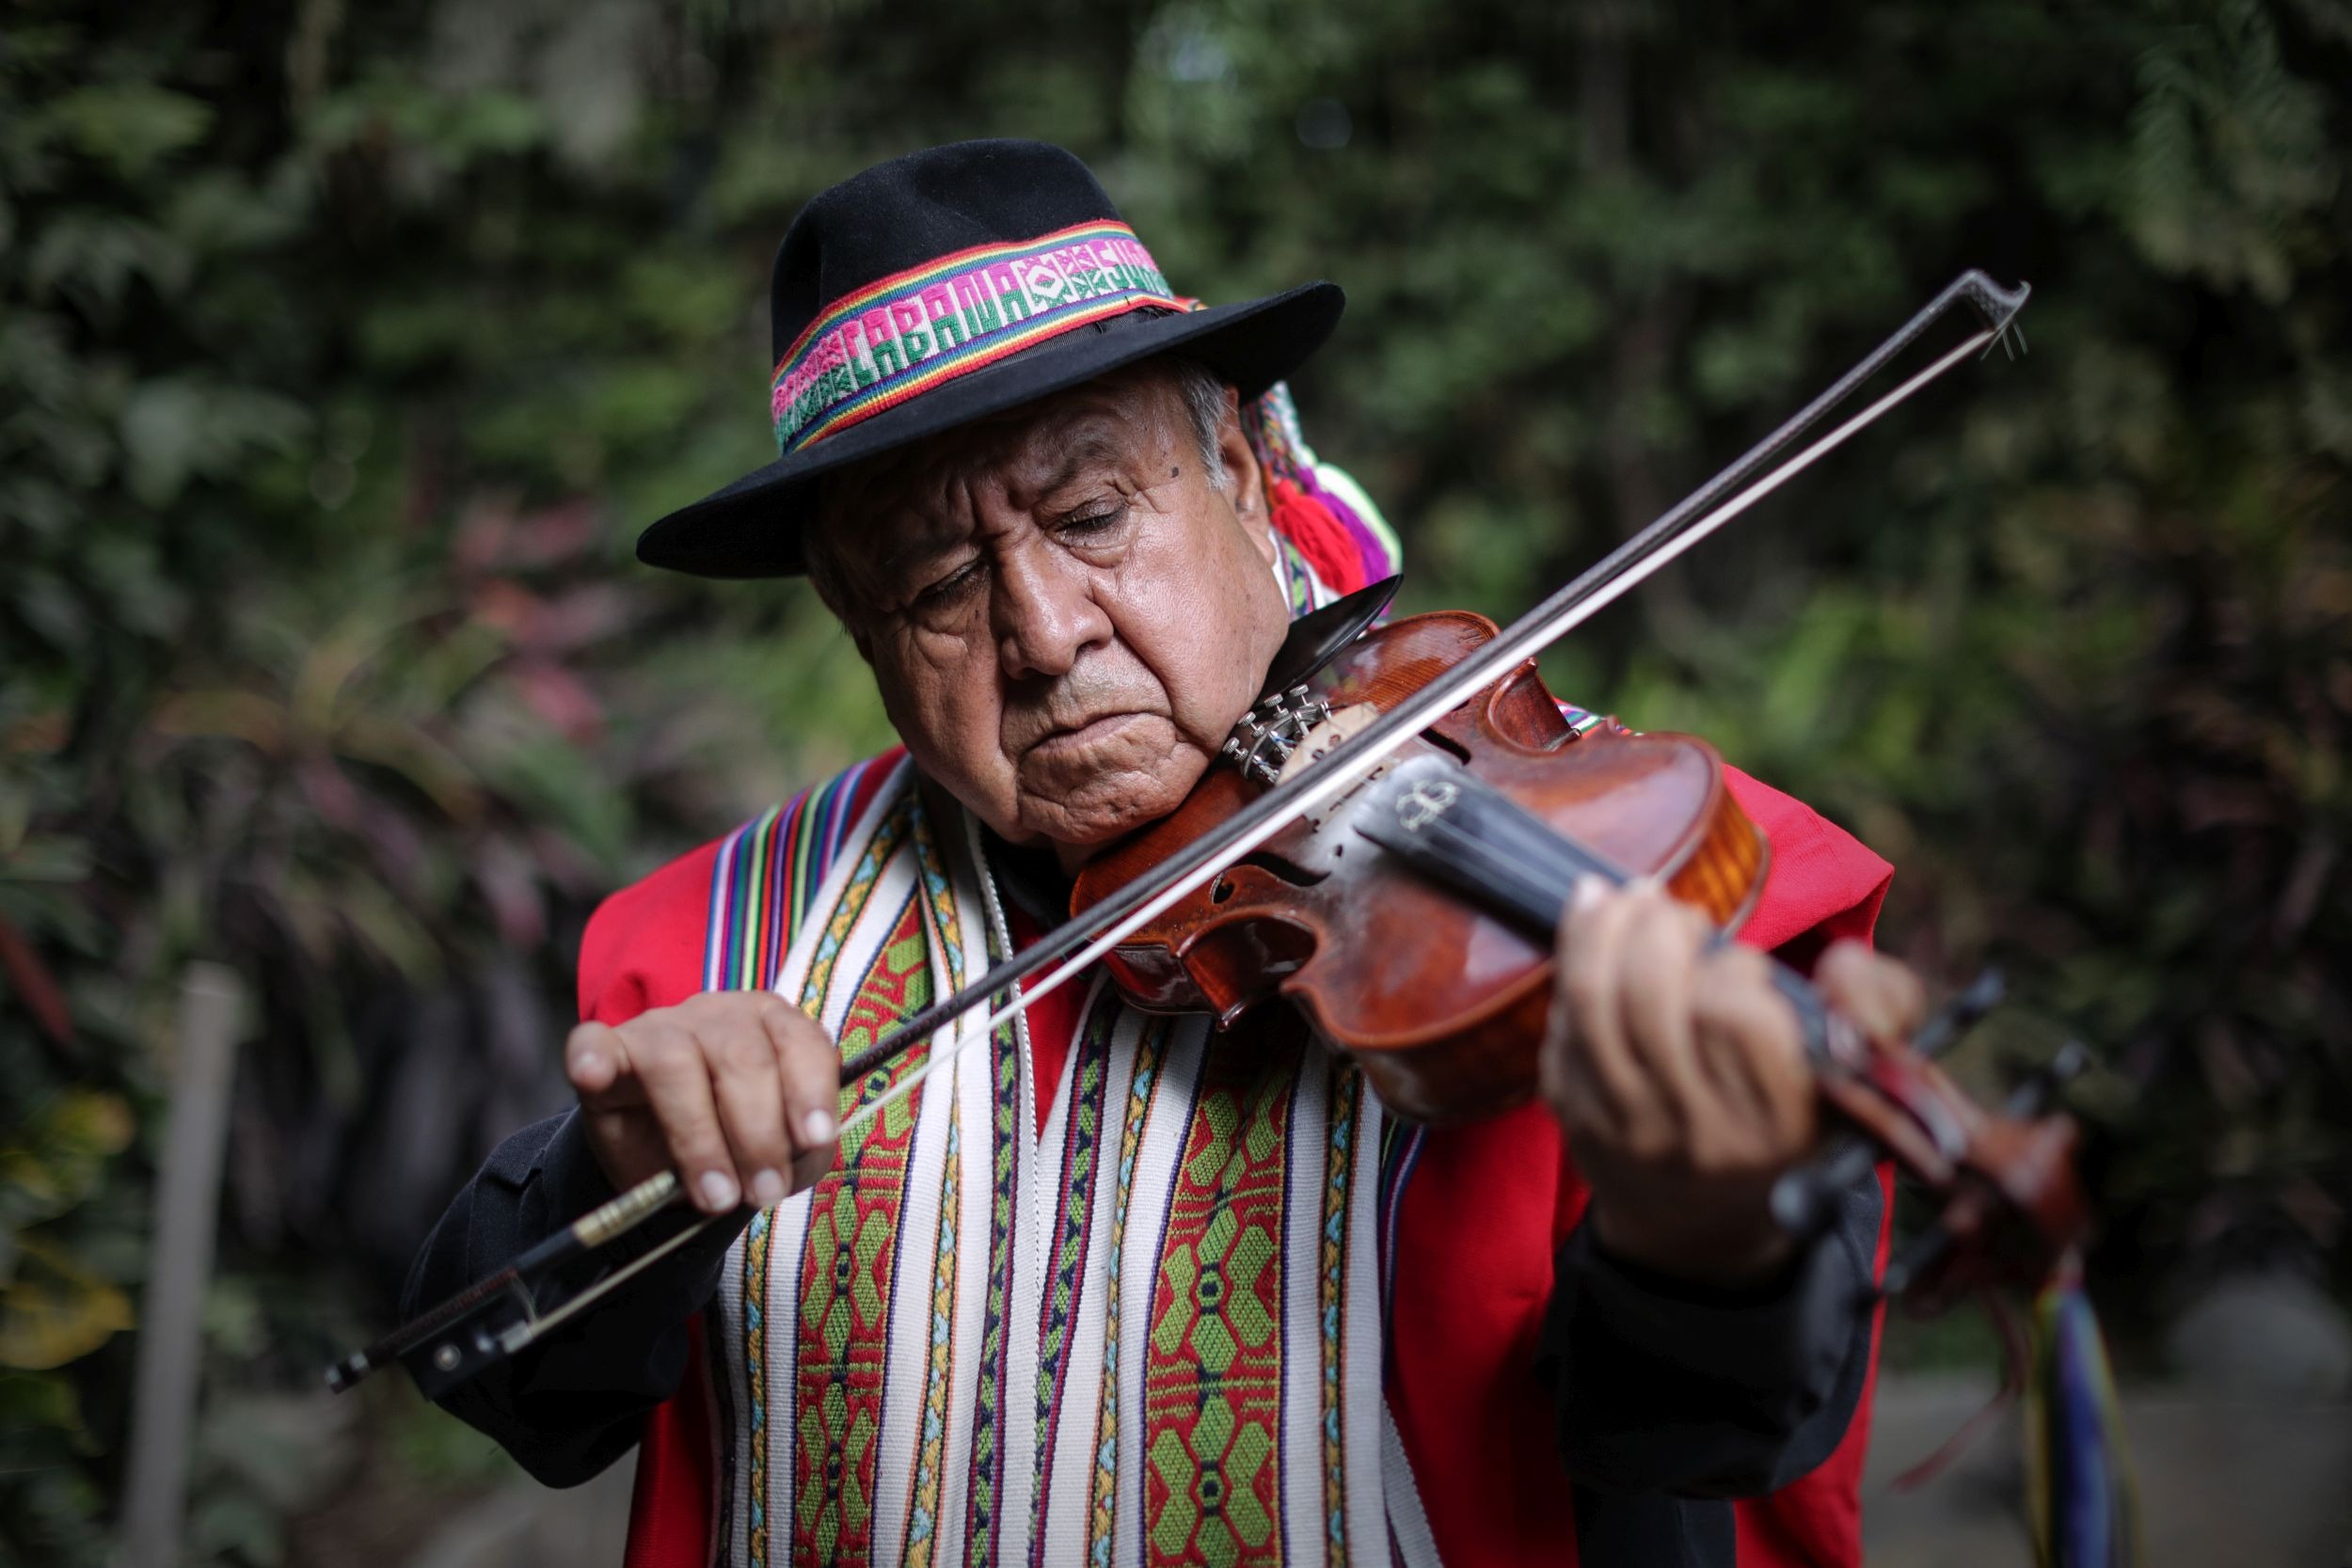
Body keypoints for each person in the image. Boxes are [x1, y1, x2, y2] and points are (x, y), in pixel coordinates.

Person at [404, 140, 1918, 1568]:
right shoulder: (728, 938)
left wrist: (1706, 1243)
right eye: (937, 582)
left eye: (1093, 513)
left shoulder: (1594, 863)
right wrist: (623, 1177)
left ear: (1250, 480)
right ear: (858, 628)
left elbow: (1700, 1450)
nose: (1047, 634)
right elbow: (513, 1389)